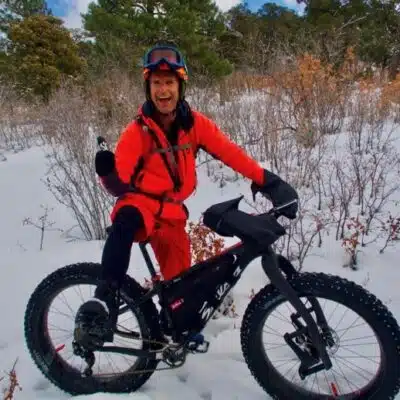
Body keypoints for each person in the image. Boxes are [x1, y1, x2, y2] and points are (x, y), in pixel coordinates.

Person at [74, 42, 298, 347]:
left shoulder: (195, 125)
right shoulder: (136, 132)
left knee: (180, 291)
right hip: (140, 203)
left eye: (169, 82)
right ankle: (104, 298)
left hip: (172, 213)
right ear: (148, 88)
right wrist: (107, 173)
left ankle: (175, 331)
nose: (163, 90)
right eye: (156, 83)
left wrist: (268, 181)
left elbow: (230, 153)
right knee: (125, 219)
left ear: (180, 87)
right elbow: (120, 184)